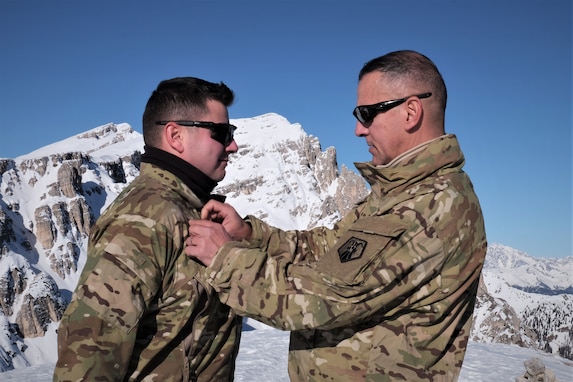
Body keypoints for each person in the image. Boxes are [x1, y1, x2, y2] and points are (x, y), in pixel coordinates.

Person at [185, 50, 487, 381]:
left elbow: (323, 297)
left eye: (368, 114)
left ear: (411, 111)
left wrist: (224, 259)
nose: (358, 129)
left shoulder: (430, 206)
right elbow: (336, 249)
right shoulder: (402, 192)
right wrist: (251, 236)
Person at [54, 77, 243, 381]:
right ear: (176, 136)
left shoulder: (185, 209)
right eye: (222, 133)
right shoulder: (142, 221)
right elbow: (87, 355)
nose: (233, 145)